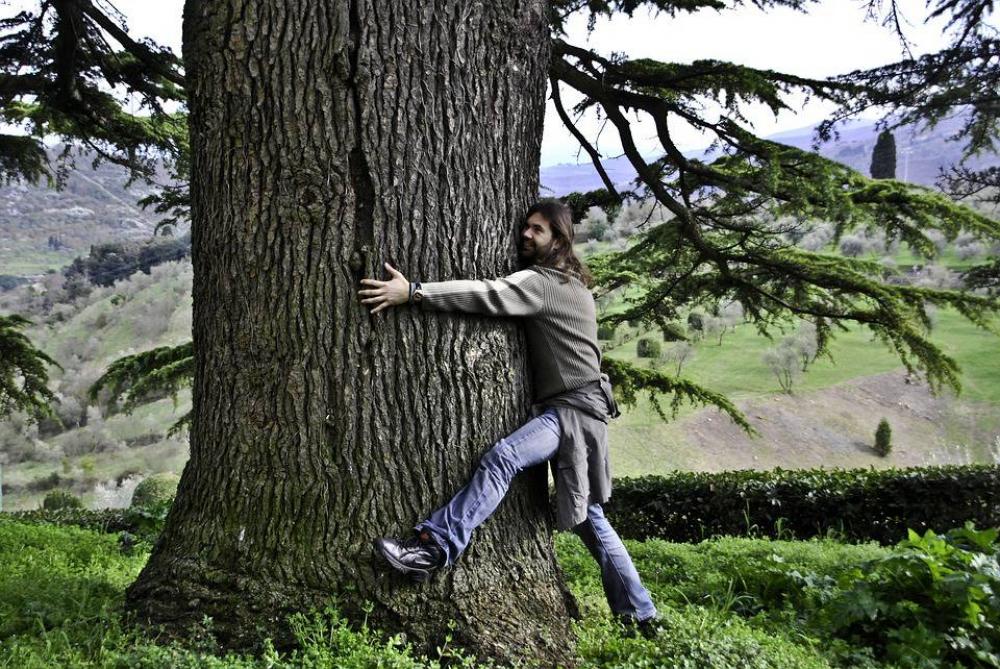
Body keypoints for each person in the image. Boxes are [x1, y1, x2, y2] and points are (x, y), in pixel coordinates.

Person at [357, 198, 660, 636]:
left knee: (504, 457)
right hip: (585, 410)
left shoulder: (544, 283)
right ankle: (642, 616)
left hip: (572, 414)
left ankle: (433, 547)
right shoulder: (575, 285)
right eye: (526, 227)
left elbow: (491, 293)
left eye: (537, 230)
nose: (526, 235)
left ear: (558, 239)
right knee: (591, 518)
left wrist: (415, 292)